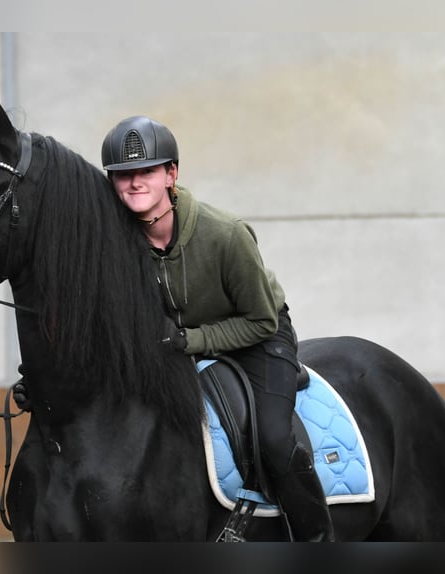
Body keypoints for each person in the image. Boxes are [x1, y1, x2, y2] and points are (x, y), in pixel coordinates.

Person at [99, 115, 334, 542]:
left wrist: (193, 341)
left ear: (171, 174)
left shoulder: (225, 235)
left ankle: (317, 538)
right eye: (122, 175)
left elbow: (260, 320)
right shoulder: (115, 244)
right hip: (179, 344)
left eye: (147, 171)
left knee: (275, 439)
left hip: (259, 335)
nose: (134, 183)